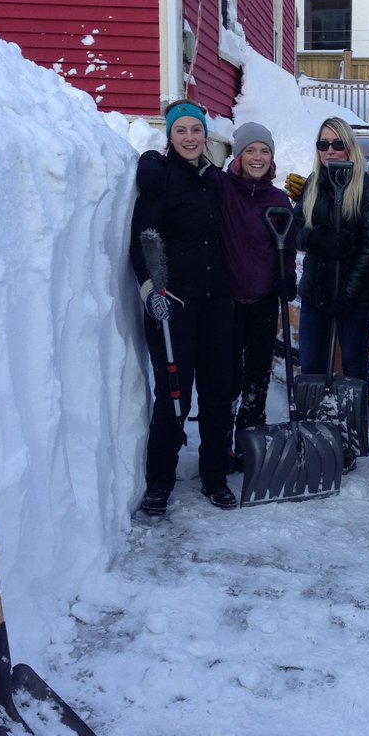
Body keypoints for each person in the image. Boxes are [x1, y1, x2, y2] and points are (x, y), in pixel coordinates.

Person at [129, 100, 235, 515]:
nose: (190, 138)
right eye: (181, 131)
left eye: (196, 130)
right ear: (170, 136)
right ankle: (160, 481)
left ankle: (214, 476)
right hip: (173, 307)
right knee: (174, 395)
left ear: (205, 136)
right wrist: (151, 291)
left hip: (216, 305)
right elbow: (142, 240)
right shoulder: (158, 180)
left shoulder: (214, 180)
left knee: (217, 392)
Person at [293, 117, 369, 467]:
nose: (330, 151)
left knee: (352, 370)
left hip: (355, 298)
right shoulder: (314, 183)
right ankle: (312, 436)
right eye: (323, 144)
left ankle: (345, 443)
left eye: (337, 144)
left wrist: (346, 295)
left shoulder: (368, 187)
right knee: (312, 368)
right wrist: (316, 238)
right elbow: (297, 228)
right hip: (316, 293)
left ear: (350, 146)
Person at [214, 122, 295, 470]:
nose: (258, 158)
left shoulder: (278, 200)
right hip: (227, 302)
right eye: (251, 150)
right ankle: (218, 449)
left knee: (257, 378)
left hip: (263, 301)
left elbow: (288, 248)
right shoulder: (220, 188)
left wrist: (286, 278)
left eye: (264, 151)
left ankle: (248, 446)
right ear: (239, 154)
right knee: (226, 378)